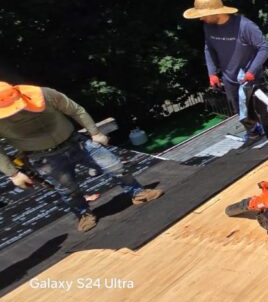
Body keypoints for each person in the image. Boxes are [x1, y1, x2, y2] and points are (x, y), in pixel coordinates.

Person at [0, 82, 163, 232]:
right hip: (44, 157)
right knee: (68, 190)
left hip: (76, 143)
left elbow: (75, 110)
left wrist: (96, 132)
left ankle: (139, 193)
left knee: (116, 167)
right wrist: (13, 173)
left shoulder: (42, 95)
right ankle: (84, 215)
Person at [183, 0, 268, 143]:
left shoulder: (245, 26)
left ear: (216, 12)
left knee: (259, 107)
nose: (201, 18)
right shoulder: (208, 27)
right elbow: (209, 49)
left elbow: (264, 48)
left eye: (203, 15)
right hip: (229, 77)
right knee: (239, 109)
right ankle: (253, 132)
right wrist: (212, 73)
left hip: (250, 75)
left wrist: (252, 71)